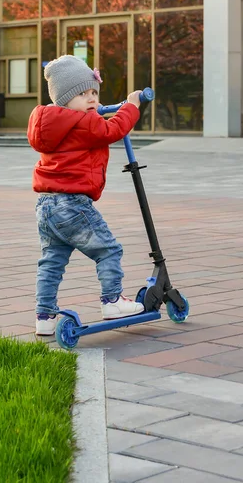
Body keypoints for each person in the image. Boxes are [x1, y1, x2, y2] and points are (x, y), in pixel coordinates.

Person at [27, 54, 144, 336]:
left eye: (94, 92)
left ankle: (45, 315)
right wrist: (131, 106)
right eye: (82, 94)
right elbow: (113, 129)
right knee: (108, 249)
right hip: (72, 205)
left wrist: (95, 110)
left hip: (46, 206)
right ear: (64, 99)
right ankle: (113, 300)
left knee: (51, 261)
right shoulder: (83, 123)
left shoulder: (53, 124)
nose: (91, 99)